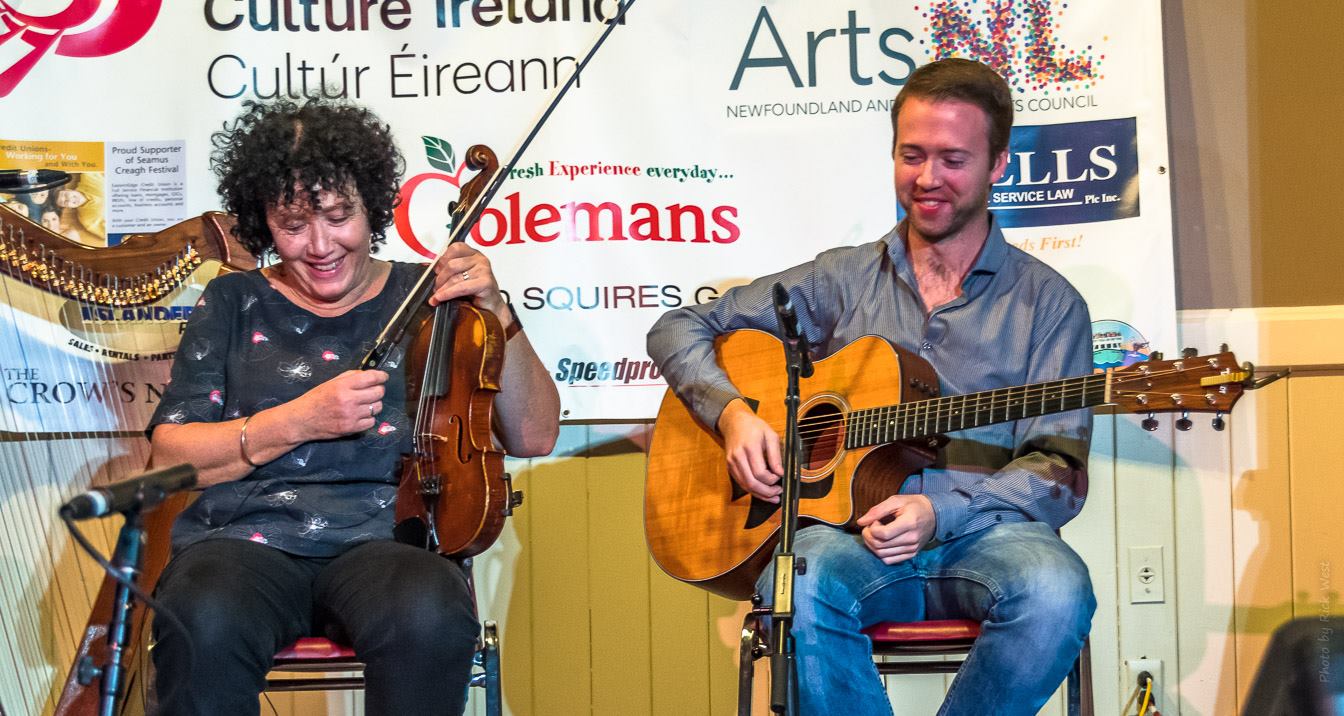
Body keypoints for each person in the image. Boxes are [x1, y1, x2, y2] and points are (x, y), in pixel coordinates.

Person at [647, 58, 1095, 715]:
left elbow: (1059, 470)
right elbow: (677, 329)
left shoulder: (1048, 304)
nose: (928, 179)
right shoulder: (840, 280)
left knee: (1057, 590)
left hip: (989, 537)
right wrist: (733, 417)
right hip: (849, 540)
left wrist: (941, 512)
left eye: (952, 159)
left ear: (998, 164)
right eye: (911, 155)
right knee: (798, 578)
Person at [147, 98, 560, 715]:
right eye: (292, 225)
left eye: (340, 216)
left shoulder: (434, 299)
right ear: (263, 222)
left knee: (427, 612)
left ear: (372, 206)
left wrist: (499, 310)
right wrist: (298, 420)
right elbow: (169, 456)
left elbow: (534, 434)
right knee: (199, 616)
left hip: (389, 541)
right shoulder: (233, 300)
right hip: (243, 545)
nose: (319, 245)